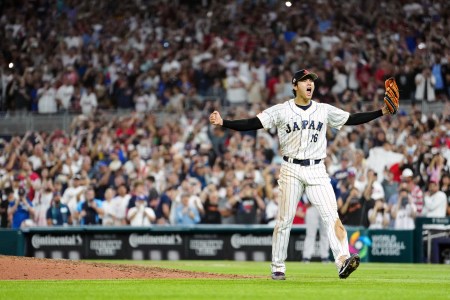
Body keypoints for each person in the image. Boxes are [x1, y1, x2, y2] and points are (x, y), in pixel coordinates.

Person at [209, 69, 397, 280]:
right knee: (285, 220)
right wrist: (224, 122)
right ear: (295, 85)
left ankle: (343, 260)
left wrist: (382, 111)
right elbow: (252, 123)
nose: (310, 84)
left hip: (317, 169)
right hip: (291, 168)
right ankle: (278, 267)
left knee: (331, 216)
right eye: (305, 81)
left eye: (312, 81)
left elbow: (352, 119)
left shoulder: (323, 109)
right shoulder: (281, 110)